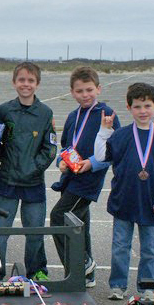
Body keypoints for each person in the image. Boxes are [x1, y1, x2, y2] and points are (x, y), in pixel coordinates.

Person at [95, 82, 154, 301]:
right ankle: (118, 285)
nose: (143, 111)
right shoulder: (121, 135)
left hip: (151, 202)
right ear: (129, 107)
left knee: (150, 249)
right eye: (138, 106)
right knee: (120, 247)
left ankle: (147, 287)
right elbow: (101, 156)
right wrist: (104, 131)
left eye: (147, 106)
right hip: (124, 200)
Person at [0, 62, 57, 281]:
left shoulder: (45, 113)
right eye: (22, 80)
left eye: (31, 80)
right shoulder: (5, 109)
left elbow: (51, 148)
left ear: (37, 84)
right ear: (14, 82)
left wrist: (33, 169)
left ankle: (38, 272)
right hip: (7, 181)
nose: (26, 84)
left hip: (33, 183)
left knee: (34, 231)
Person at [49, 67, 120, 288]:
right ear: (72, 92)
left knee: (58, 218)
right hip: (70, 177)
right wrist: (61, 161)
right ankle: (82, 276)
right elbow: (66, 146)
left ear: (98, 89)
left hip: (88, 181)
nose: (85, 94)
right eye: (79, 91)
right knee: (80, 225)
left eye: (89, 89)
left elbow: (114, 151)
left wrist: (91, 163)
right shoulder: (73, 116)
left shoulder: (107, 115)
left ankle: (82, 264)